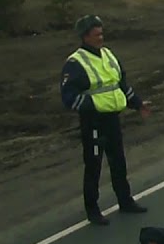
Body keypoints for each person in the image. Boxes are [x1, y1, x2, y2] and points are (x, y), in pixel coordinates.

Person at [60, 15, 151, 225]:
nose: (101, 38)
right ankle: (93, 210)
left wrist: (138, 104)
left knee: (118, 161)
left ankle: (125, 201)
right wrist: (92, 107)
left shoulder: (108, 55)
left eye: (102, 33)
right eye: (96, 35)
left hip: (112, 119)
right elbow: (69, 97)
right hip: (93, 122)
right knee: (93, 166)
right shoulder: (75, 63)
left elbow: (121, 85)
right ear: (85, 37)